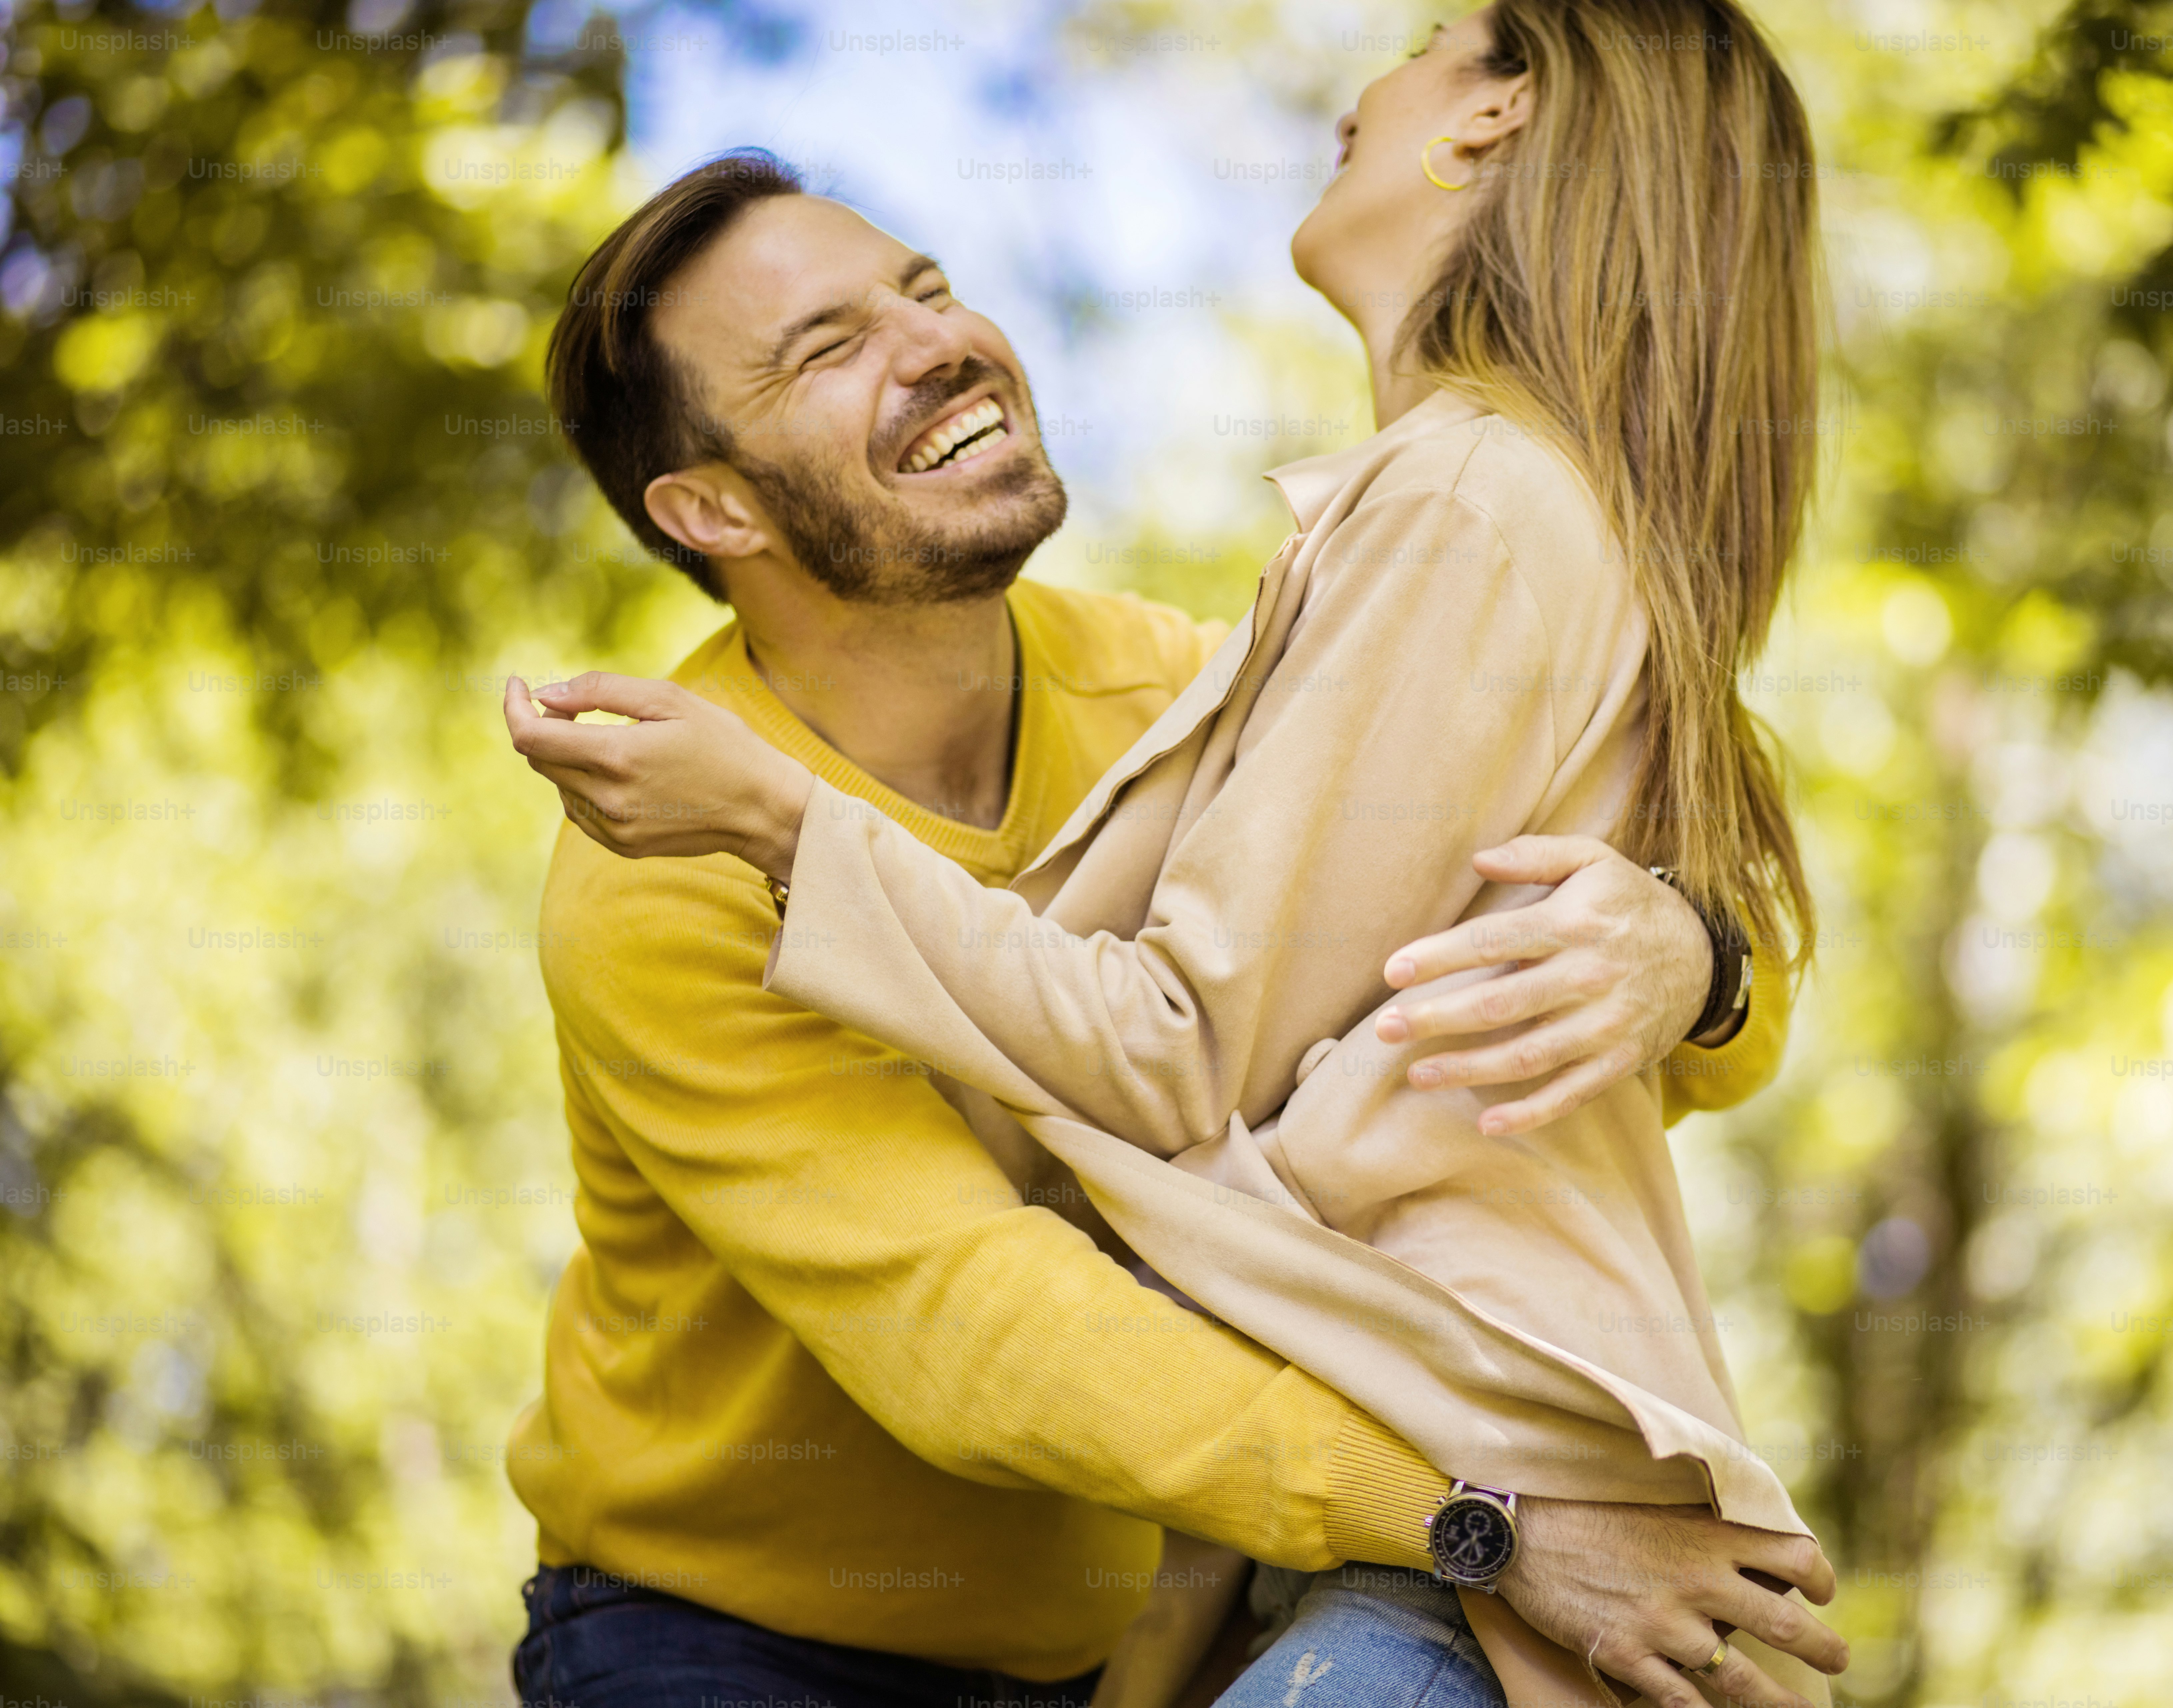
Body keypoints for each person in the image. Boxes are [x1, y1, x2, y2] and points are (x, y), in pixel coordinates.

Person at [510, 3, 1843, 1705]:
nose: (938, 343)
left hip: (1113, 1641)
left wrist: (1688, 955)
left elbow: (1634, 906)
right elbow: (981, 1326)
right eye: (826, 349)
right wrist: (1474, 1524)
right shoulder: (668, 855)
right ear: (716, 510)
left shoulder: (1171, 685)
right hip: (729, 1645)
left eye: (926, 289)